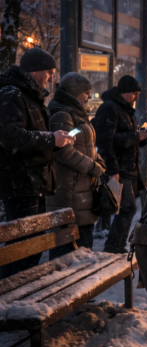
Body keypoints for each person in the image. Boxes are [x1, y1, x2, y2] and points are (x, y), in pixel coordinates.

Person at [0, 47, 74, 277]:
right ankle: (8, 294)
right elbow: (10, 136)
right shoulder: (12, 94)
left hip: (32, 183)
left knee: (30, 248)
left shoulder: (29, 96)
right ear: (34, 72)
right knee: (22, 248)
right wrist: (51, 139)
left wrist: (54, 139)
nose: (51, 77)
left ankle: (16, 292)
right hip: (19, 183)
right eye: (49, 72)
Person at [46, 72, 106, 257]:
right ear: (76, 92)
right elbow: (64, 151)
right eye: (86, 92)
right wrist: (93, 166)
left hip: (80, 191)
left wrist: (98, 160)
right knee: (67, 253)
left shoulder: (76, 113)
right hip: (69, 191)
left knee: (82, 249)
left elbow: (82, 145)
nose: (88, 96)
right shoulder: (63, 114)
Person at [93, 75, 147, 254]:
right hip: (119, 169)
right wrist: (113, 170)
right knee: (128, 208)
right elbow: (106, 141)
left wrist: (139, 138)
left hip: (128, 169)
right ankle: (113, 245)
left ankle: (117, 245)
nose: (137, 98)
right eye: (134, 93)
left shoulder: (125, 110)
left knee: (127, 208)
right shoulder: (110, 108)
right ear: (124, 92)